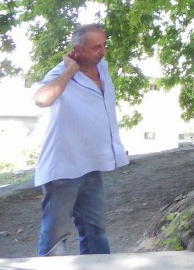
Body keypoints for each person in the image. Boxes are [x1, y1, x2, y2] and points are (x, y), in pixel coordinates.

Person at [33, 23, 129, 256]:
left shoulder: (102, 68)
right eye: (96, 47)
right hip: (63, 169)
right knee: (56, 236)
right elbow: (41, 99)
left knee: (96, 231)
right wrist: (69, 71)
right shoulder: (60, 73)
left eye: (104, 45)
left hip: (91, 166)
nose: (102, 51)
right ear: (78, 49)